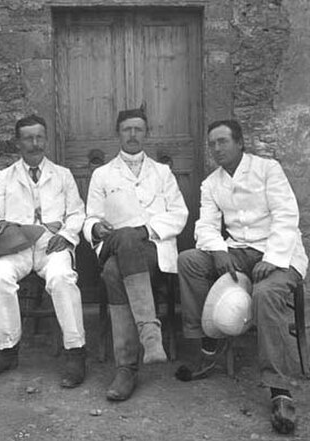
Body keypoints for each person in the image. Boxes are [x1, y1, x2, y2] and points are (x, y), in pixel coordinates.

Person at [175, 120, 308, 434]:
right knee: (190, 261)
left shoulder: (267, 169)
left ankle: (279, 391)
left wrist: (273, 258)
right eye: (213, 144)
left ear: (239, 142)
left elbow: (287, 215)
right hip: (237, 250)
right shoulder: (212, 183)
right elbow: (205, 225)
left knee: (264, 293)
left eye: (223, 141)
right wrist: (219, 250)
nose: (217, 149)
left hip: (280, 251)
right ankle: (206, 344)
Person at [0, 115, 87, 388]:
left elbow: (76, 213)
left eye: (39, 137)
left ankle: (76, 352)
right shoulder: (4, 178)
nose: (35, 144)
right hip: (16, 247)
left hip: (51, 245)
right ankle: (7, 351)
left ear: (46, 139)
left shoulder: (62, 175)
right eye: (28, 138)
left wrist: (66, 236)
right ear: (18, 142)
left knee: (61, 278)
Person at [83, 107, 188, 401]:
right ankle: (149, 333)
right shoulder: (102, 175)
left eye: (138, 129)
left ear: (147, 134)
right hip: (115, 244)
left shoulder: (162, 173)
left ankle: (126, 369)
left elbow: (179, 214)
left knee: (114, 271)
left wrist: (145, 231)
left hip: (153, 248)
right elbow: (90, 217)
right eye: (127, 129)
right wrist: (97, 230)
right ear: (119, 133)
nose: (132, 135)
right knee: (124, 238)